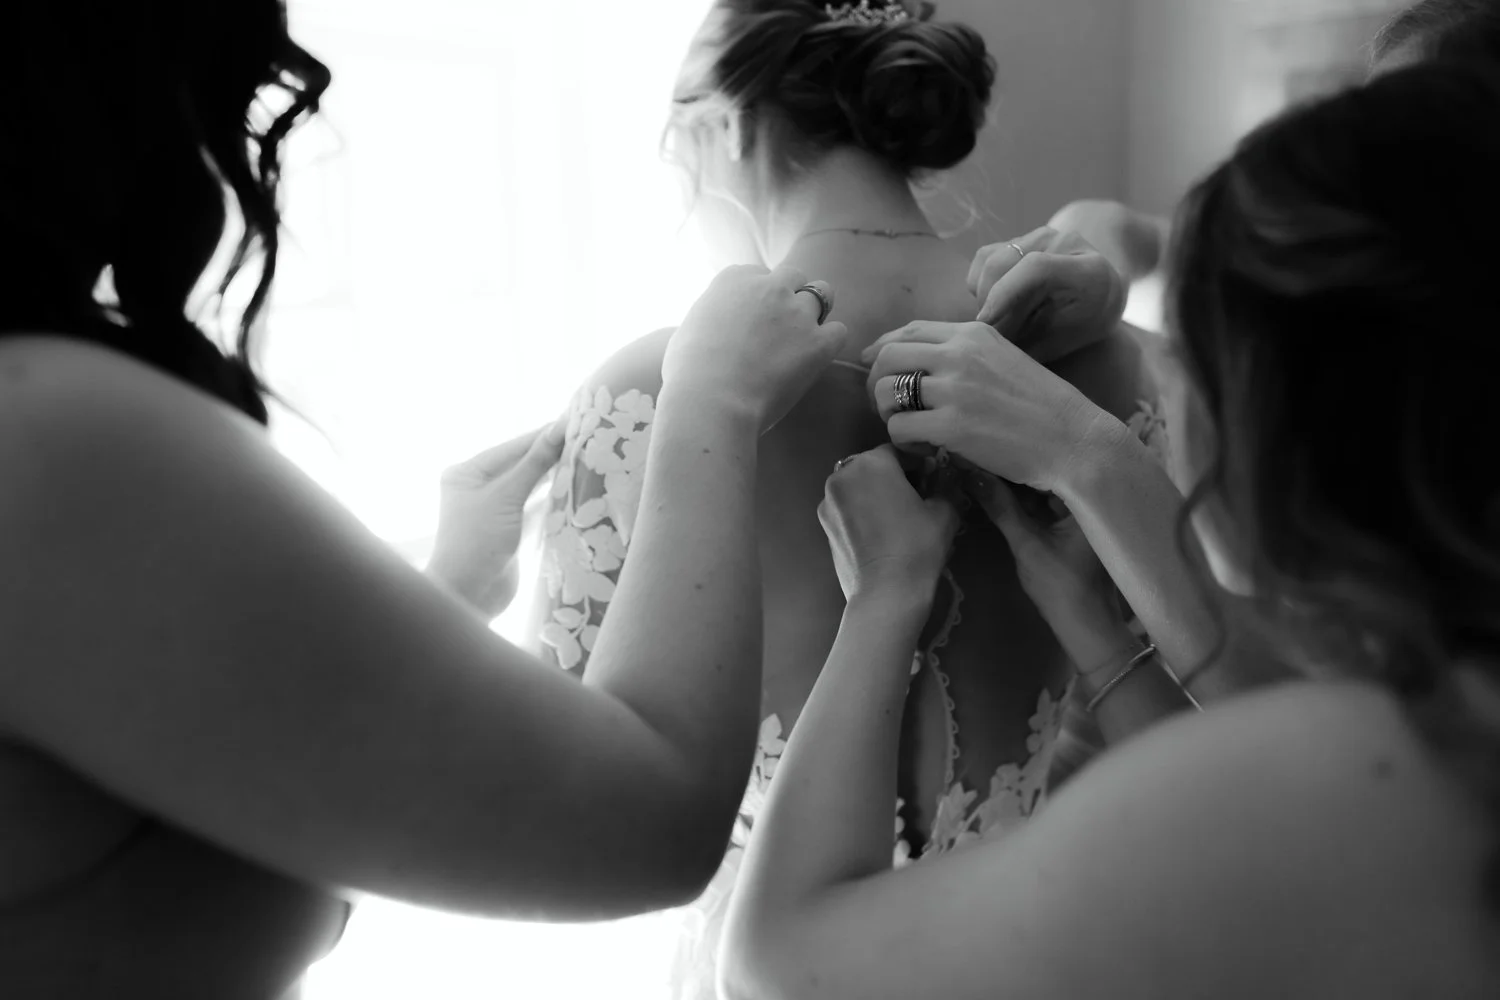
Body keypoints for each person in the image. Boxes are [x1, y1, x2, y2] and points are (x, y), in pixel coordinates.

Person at [0, 3, 850, 997]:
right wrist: (709, 402)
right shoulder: (51, 438)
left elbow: (269, 783)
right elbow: (648, 817)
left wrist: (446, 591)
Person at [722, 56, 1500, 1000]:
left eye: (1202, 367)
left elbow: (781, 966)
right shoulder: (1429, 728)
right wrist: (1093, 615)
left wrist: (888, 597)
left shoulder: (1383, 777)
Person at [527, 2, 1191, 995]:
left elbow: (561, 783)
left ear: (721, 124)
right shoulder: (1107, 364)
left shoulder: (646, 395)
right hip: (1037, 940)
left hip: (774, 958)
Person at [1047, 0, 1500, 325]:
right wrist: (1127, 236)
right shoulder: (1340, 256)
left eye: (1402, 123)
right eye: (1370, 116)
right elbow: (1230, 266)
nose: (1366, 149)